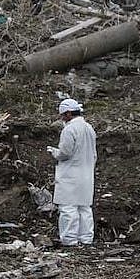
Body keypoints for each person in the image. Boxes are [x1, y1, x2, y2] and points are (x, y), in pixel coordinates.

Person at [47, 98, 97, 246]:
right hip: (86, 174)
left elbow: (65, 153)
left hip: (70, 175)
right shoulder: (89, 128)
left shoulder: (69, 129)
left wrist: (54, 152)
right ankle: (86, 239)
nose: (62, 118)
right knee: (84, 208)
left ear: (68, 114)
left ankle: (69, 240)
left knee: (68, 208)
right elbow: (93, 153)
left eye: (63, 115)